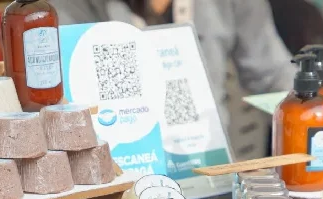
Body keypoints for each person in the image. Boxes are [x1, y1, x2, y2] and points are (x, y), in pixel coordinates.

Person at [53, 0, 295, 128]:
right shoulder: (69, 7)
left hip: (208, 159)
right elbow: (63, 98)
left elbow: (274, 72)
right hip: (122, 164)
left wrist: (312, 104)